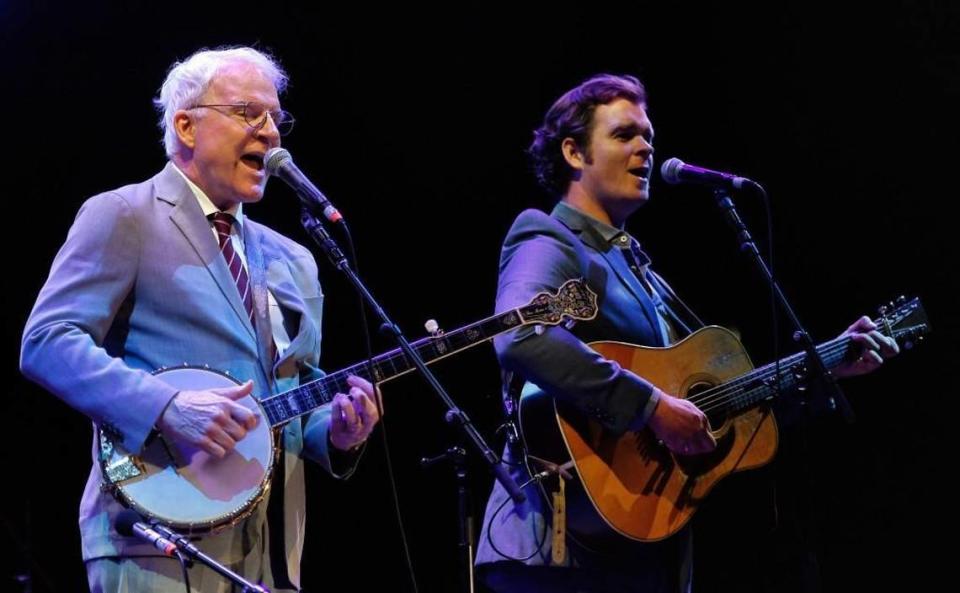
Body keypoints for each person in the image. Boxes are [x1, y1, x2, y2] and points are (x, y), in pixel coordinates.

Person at [474, 74, 899, 592]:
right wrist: (651, 406)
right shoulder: (549, 235)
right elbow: (520, 336)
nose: (646, 148)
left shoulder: (640, 269)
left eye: (649, 136)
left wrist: (827, 367)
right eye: (624, 135)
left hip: (641, 549)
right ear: (574, 152)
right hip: (558, 551)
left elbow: (713, 409)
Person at [20, 46, 381, 592]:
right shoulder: (125, 215)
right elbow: (47, 341)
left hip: (271, 550)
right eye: (248, 113)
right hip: (154, 535)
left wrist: (339, 432)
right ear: (186, 126)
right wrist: (167, 407)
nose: (270, 133)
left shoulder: (294, 259)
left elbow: (293, 398)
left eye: (276, 119)